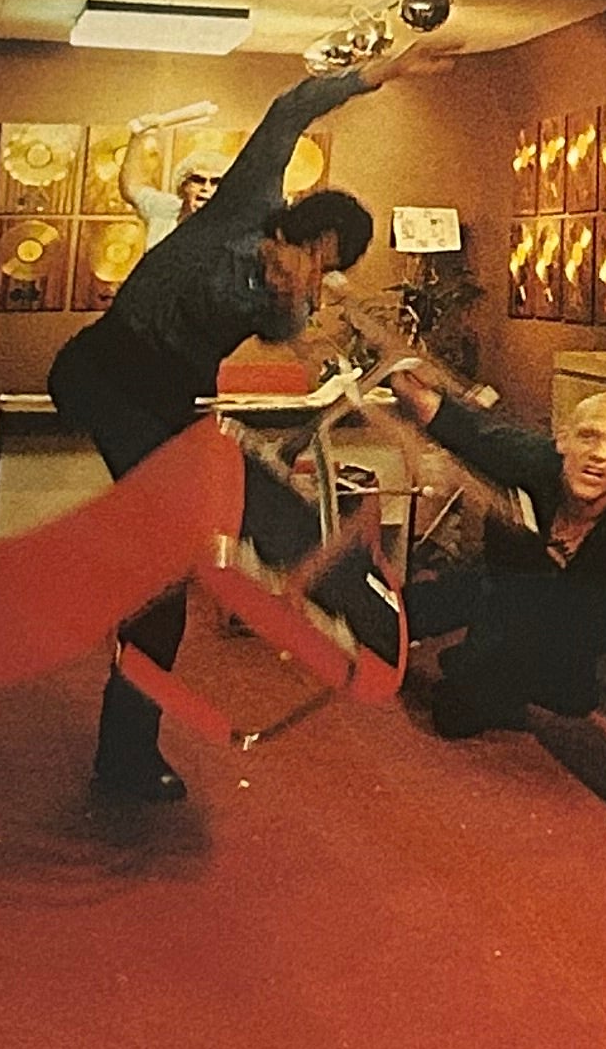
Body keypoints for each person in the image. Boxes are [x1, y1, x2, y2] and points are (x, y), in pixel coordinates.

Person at [48, 57, 407, 803]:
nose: (300, 274)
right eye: (307, 254)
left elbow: (290, 334)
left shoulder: (289, 304)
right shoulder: (245, 205)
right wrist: (377, 72)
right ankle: (127, 746)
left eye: (321, 270)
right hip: (100, 378)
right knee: (202, 509)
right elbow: (288, 110)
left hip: (168, 403)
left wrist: (308, 312)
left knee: (174, 575)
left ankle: (126, 754)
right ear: (295, 227)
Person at [376, 374, 606, 841]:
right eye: (588, 436)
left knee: (570, 699)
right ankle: (400, 624)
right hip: (507, 593)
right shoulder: (530, 459)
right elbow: (461, 427)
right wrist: (394, 374)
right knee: (454, 712)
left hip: (577, 622)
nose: (599, 453)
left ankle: (505, 664)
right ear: (562, 440)